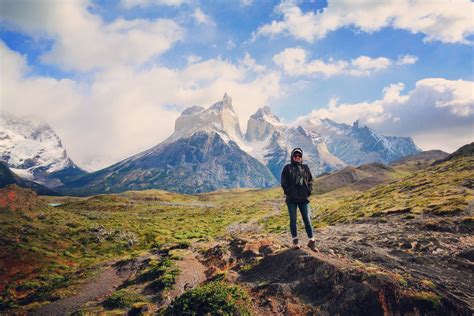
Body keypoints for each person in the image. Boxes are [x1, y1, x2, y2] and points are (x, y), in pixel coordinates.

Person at [280, 148, 317, 250]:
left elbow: (310, 180)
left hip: (303, 198)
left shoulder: (305, 168)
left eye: (299, 156)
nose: (297, 157)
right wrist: (288, 191)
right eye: (295, 156)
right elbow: (283, 181)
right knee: (293, 220)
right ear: (292, 157)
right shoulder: (287, 168)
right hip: (291, 199)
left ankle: (312, 241)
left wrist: (309, 191)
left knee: (307, 220)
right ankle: (295, 241)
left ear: (301, 157)